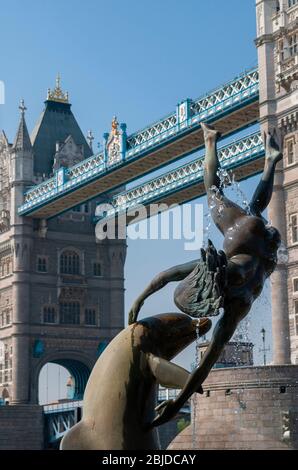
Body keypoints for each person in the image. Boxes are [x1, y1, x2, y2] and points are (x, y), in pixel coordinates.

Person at [128, 122, 282, 428]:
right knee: (214, 191)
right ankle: (211, 142)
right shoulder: (220, 265)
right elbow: (167, 275)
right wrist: (140, 300)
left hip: (267, 251)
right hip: (243, 238)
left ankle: (269, 160)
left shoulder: (240, 304)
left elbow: (206, 364)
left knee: (252, 208)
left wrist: (177, 404)